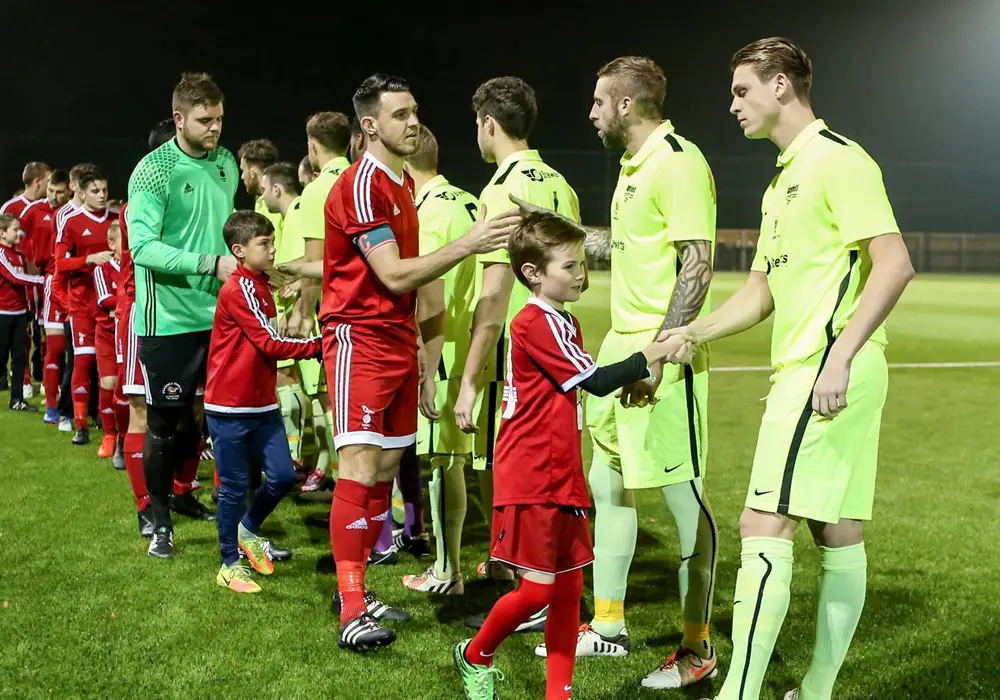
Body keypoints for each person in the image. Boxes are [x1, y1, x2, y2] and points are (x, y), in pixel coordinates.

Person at [676, 38, 914, 700]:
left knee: (762, 523)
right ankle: (814, 692)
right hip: (816, 369)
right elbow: (761, 291)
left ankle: (739, 695)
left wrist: (837, 358)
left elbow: (894, 263)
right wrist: (692, 331)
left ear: (781, 85)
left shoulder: (840, 161)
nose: (732, 105)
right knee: (835, 530)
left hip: (825, 369)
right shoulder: (782, 179)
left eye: (741, 91)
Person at [531, 56, 723, 690]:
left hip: (663, 358)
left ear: (626, 105)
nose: (590, 112)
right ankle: (608, 624)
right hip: (621, 351)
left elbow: (697, 264)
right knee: (606, 485)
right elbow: (630, 246)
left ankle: (698, 646)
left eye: (597, 102)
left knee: (682, 500)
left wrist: (665, 358)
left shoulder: (679, 161)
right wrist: (547, 235)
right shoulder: (632, 167)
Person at [312, 73, 520, 651]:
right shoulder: (360, 185)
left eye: (415, 111)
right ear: (370, 125)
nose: (414, 122)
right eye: (400, 113)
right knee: (357, 466)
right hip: (359, 340)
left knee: (384, 472)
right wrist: (471, 243)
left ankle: (358, 590)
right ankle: (351, 606)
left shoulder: (402, 189)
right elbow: (394, 274)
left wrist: (427, 360)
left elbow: (417, 286)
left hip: (399, 344)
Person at [453, 211, 694, 700]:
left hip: (560, 469)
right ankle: (476, 654)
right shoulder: (534, 322)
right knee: (539, 590)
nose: (581, 274)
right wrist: (658, 349)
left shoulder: (562, 318)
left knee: (566, 591)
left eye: (583, 264)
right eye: (570, 266)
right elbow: (599, 380)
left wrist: (641, 370)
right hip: (531, 473)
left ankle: (558, 694)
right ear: (533, 274)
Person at [454, 76, 579, 634]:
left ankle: (525, 580)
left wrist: (471, 379)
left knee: (508, 466)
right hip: (564, 343)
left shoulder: (501, 189)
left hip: (522, 354)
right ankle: (544, 576)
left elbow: (495, 294)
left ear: (488, 123)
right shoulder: (560, 182)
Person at [128, 72, 237, 558]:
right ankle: (158, 518)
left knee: (206, 418)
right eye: (204, 120)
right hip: (168, 320)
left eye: (219, 119)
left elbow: (227, 227)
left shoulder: (226, 163)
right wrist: (208, 263)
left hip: (220, 316)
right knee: (164, 421)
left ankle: (184, 493)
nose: (215, 129)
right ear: (179, 119)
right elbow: (142, 247)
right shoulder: (152, 170)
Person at [205, 211, 321, 592]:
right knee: (234, 487)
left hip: (260, 402)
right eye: (264, 244)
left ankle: (247, 531)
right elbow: (269, 343)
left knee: (284, 476)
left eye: (272, 242)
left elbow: (267, 339)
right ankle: (228, 564)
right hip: (229, 405)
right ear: (239, 251)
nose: (272, 250)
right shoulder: (237, 289)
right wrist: (318, 346)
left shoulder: (260, 284)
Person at [400, 124, 480, 595]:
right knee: (474, 461)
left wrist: (424, 364)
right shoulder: (470, 201)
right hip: (475, 341)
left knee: (444, 463)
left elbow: (428, 292)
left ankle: (447, 572)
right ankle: (499, 560)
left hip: (442, 346)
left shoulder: (427, 213)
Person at [293, 111, 353, 495]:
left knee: (331, 400)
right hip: (369, 309)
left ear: (313, 146)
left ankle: (341, 477)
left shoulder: (317, 189)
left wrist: (302, 312)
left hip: (333, 311)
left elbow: (318, 262)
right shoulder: (364, 177)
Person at [55, 167, 116, 446]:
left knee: (112, 368)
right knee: (83, 361)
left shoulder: (117, 221)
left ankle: (111, 425)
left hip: (113, 305)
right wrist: (89, 259)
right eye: (95, 191)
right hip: (82, 304)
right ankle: (80, 424)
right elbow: (60, 264)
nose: (102, 195)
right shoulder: (72, 222)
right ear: (81, 193)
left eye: (104, 190)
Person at [259, 161, 315, 468]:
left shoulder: (295, 214)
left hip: (301, 310)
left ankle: (296, 458)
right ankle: (315, 463)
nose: (263, 195)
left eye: (265, 189)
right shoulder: (294, 213)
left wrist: (265, 276)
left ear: (277, 189)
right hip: (299, 307)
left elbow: (297, 267)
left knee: (290, 380)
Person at [19, 170, 71, 424]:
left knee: (80, 352)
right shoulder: (34, 211)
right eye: (50, 190)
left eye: (59, 192)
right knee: (52, 344)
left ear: (70, 190)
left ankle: (80, 407)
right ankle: (51, 405)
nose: (53, 196)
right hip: (50, 281)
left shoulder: (72, 214)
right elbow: (19, 236)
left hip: (81, 285)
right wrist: (28, 262)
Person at [1, 162, 51, 396]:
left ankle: (42, 374)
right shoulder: (11, 207)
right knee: (25, 331)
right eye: (48, 181)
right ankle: (24, 380)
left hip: (41, 276)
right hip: (23, 280)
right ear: (38, 181)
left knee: (43, 329)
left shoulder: (50, 208)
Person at [0, 214, 45, 411]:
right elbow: (15, 277)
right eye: (15, 230)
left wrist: (28, 310)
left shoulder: (18, 254)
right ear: (2, 233)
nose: (20, 233)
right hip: (2, 313)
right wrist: (44, 281)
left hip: (18, 314)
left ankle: (16, 400)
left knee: (19, 357)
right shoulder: (1, 253)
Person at [93, 222, 122, 459]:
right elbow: (104, 299)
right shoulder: (102, 270)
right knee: (109, 382)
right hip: (107, 334)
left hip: (131, 333)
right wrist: (131, 298)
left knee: (128, 388)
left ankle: (126, 437)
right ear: (112, 244)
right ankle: (109, 434)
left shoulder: (136, 266)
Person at [237, 139, 283, 232]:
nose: (242, 177)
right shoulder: (260, 203)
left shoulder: (279, 205)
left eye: (243, 170)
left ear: (252, 173)